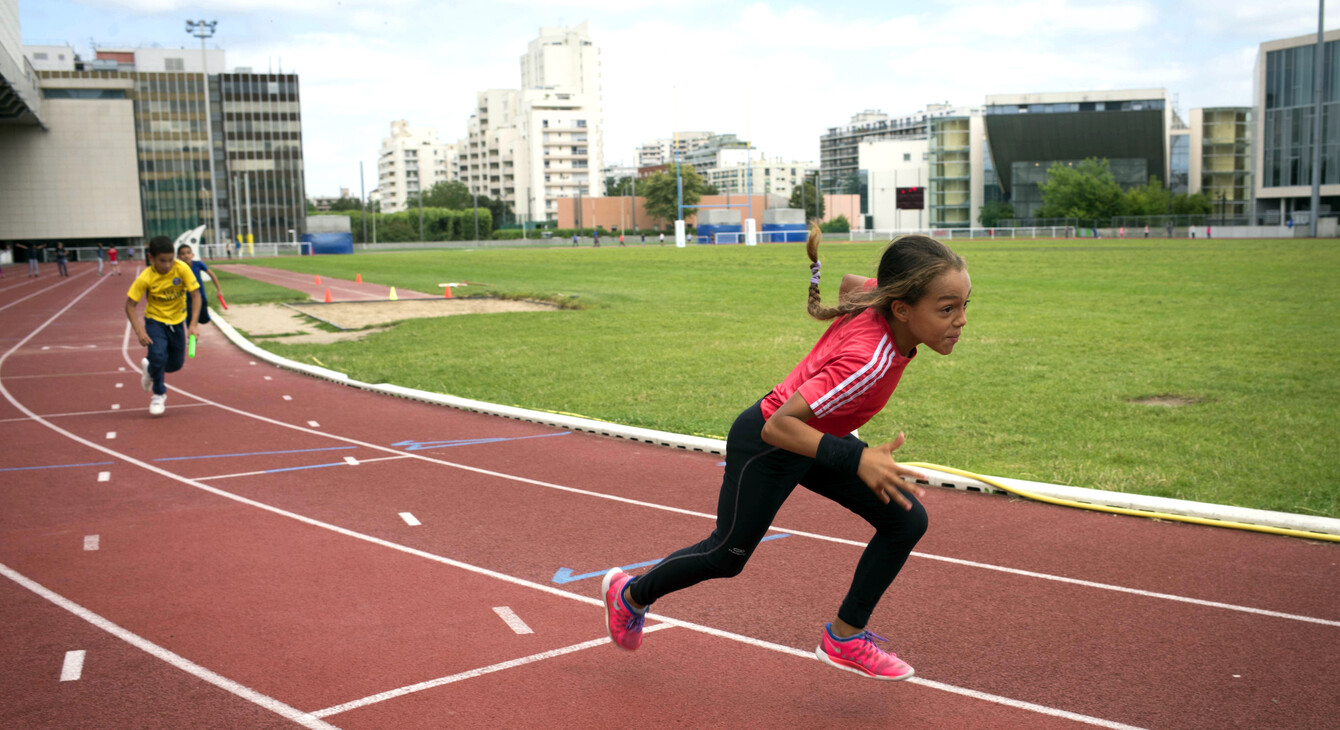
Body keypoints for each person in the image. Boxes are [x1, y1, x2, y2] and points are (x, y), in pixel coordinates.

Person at [602, 223, 969, 681]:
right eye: (947, 309)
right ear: (902, 308)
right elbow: (780, 427)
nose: (961, 320)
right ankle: (630, 594)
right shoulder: (867, 362)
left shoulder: (884, 304)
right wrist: (858, 457)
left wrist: (840, 291)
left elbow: (854, 286)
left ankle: (845, 637)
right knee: (726, 556)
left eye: (964, 306)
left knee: (905, 519)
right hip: (767, 442)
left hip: (814, 438)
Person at [125, 236, 201, 417]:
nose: (167, 265)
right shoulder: (146, 277)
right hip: (155, 321)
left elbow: (196, 295)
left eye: (170, 260)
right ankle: (159, 394)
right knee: (158, 355)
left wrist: (193, 324)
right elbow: (129, 305)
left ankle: (150, 369)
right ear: (151, 258)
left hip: (177, 321)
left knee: (175, 364)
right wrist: (139, 331)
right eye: (162, 261)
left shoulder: (182, 268)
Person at [177, 244, 224, 327]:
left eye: (188, 253)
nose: (186, 256)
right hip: (186, 298)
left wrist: (219, 290)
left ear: (192, 255)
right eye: (183, 254)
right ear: (179, 257)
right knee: (191, 321)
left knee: (204, 319)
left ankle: (200, 320)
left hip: (200, 295)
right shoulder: (178, 268)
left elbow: (212, 274)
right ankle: (193, 335)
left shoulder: (198, 264)